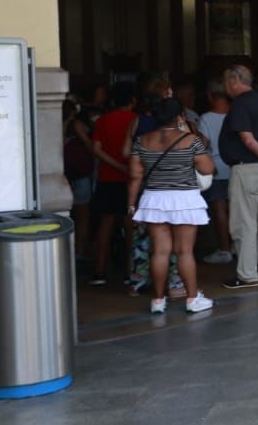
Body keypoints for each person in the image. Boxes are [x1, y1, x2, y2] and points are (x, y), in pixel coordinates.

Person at [126, 97, 215, 315]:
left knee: (160, 252)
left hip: (154, 199)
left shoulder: (142, 141)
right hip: (184, 199)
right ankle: (192, 299)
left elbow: (135, 176)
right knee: (184, 252)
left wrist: (130, 204)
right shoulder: (190, 140)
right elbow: (207, 169)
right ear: (179, 117)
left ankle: (158, 300)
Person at [219, 65, 258, 289]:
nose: (225, 86)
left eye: (227, 81)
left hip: (247, 169)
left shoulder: (240, 104)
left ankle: (247, 274)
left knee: (243, 222)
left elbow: (247, 139)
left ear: (235, 80)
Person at [87, 81, 139, 287]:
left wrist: (114, 165)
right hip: (130, 179)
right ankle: (131, 271)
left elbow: (96, 149)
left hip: (106, 177)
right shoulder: (136, 120)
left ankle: (99, 271)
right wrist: (124, 167)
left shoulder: (103, 121)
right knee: (130, 226)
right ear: (133, 101)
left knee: (105, 225)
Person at [197, 81, 234, 265]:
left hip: (217, 167)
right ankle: (236, 245)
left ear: (210, 96)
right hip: (236, 166)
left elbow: (202, 146)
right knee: (237, 209)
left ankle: (224, 249)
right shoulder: (235, 113)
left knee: (220, 210)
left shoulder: (206, 118)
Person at [62, 97, 95, 258]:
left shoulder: (50, 124)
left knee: (66, 215)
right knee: (83, 216)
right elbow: (90, 145)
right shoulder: (76, 125)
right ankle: (79, 250)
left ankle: (65, 251)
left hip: (63, 174)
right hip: (80, 174)